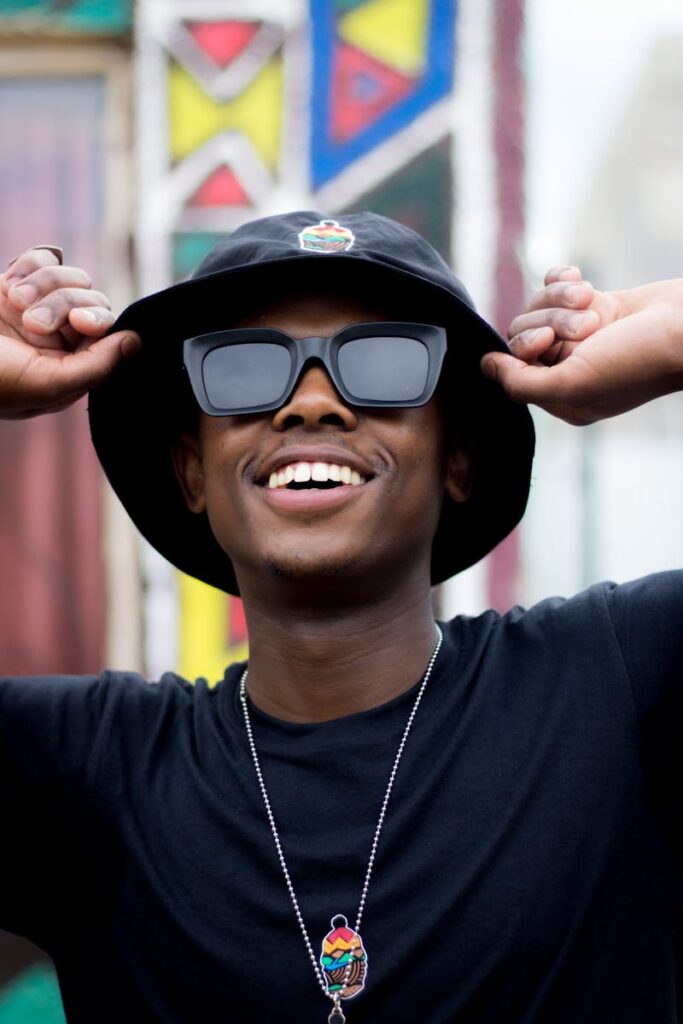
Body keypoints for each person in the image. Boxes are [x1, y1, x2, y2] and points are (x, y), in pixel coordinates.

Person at [0, 211, 681, 1024]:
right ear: (192, 473)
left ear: (457, 458)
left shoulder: (619, 685)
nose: (311, 404)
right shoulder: (85, 769)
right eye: (248, 369)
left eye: (384, 362)